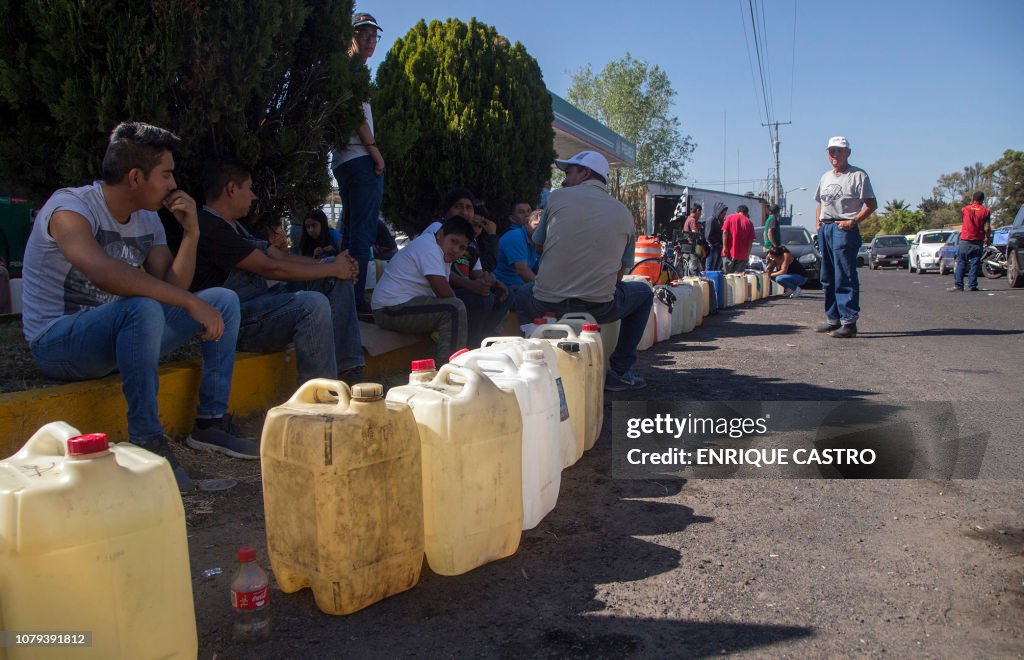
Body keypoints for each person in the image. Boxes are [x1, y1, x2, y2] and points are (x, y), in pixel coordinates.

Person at [20, 122, 253, 492]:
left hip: (124, 334)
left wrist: (192, 234)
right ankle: (147, 441)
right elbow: (104, 275)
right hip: (59, 343)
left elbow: (171, 287)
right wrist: (188, 302)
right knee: (142, 307)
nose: (173, 185)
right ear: (134, 177)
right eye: (166, 174)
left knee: (222, 301)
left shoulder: (148, 217)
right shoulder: (70, 209)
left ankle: (210, 423)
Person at [185, 158, 365, 385]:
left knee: (332, 277)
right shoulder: (209, 227)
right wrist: (334, 268)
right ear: (232, 189)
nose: (253, 196)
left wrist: (335, 265)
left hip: (263, 304)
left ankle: (349, 370)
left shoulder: (239, 225)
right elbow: (270, 268)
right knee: (312, 304)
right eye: (249, 189)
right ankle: (319, 396)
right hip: (238, 321)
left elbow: (281, 257)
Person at [513, 151, 653, 391]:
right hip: (599, 306)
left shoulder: (557, 199)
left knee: (521, 294)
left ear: (586, 173)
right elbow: (621, 271)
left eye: (569, 173)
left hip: (546, 301)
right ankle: (620, 370)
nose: (564, 180)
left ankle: (531, 361)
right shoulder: (624, 213)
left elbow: (538, 242)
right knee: (644, 293)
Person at [332, 11, 384, 316]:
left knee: (351, 233)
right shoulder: (352, 70)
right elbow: (354, 114)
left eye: (373, 35)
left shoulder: (346, 71)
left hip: (342, 161)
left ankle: (345, 297)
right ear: (351, 36)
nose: (369, 40)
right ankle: (354, 302)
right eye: (362, 34)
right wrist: (375, 153)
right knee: (361, 235)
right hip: (359, 158)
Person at [371, 216, 474, 365]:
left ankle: (455, 359)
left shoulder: (441, 251)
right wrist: (461, 311)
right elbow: (443, 291)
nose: (456, 250)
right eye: (454, 241)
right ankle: (449, 370)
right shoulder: (429, 248)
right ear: (440, 235)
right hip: (388, 310)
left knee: (456, 306)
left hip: (401, 306)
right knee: (454, 309)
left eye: (462, 248)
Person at [425, 189, 510, 346]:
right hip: (438, 289)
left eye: (468, 207)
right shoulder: (439, 227)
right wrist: (473, 286)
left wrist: (491, 282)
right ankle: (469, 345)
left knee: (503, 295)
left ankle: (484, 341)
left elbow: (477, 272)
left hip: (462, 288)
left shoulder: (470, 239)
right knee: (481, 300)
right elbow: (439, 273)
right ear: (448, 210)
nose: (464, 212)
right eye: (458, 206)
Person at [814, 136, 877, 338]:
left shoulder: (858, 175)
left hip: (844, 227)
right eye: (832, 150)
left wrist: (854, 221)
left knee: (844, 275)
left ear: (848, 153)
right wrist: (819, 223)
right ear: (827, 153)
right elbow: (820, 203)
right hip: (826, 228)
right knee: (827, 276)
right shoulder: (825, 177)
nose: (835, 154)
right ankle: (833, 319)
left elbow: (871, 204)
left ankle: (849, 321)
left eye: (840, 151)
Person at [949, 191, 990, 292]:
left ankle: (959, 285)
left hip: (965, 239)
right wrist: (987, 238)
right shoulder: (986, 211)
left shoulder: (965, 209)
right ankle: (972, 285)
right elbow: (988, 227)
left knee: (962, 262)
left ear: (973, 198)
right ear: (982, 199)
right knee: (975, 263)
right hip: (978, 240)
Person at [495, 208, 541, 292]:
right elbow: (522, 270)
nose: (540, 231)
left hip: (520, 285)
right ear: (527, 222)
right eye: (537, 225)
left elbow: (541, 268)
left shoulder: (534, 241)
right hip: (505, 286)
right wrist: (545, 288)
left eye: (544, 228)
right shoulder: (516, 236)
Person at [721, 204, 755, 273]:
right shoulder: (749, 222)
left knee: (727, 277)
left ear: (737, 211)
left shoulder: (729, 218)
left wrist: (724, 246)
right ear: (746, 213)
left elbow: (725, 232)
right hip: (742, 255)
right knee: (738, 278)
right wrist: (747, 255)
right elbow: (750, 241)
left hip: (728, 253)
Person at [680, 204, 705, 275]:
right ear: (697, 210)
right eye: (700, 213)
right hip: (692, 249)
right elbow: (696, 236)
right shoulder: (693, 220)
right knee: (694, 269)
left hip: (686, 248)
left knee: (687, 268)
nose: (700, 215)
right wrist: (702, 249)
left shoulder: (688, 219)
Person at [704, 202, 727, 271]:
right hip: (712, 248)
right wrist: (716, 244)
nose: (724, 214)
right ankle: (709, 281)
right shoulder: (711, 220)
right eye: (723, 212)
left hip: (718, 248)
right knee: (710, 267)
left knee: (716, 268)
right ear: (719, 211)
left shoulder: (720, 221)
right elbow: (708, 236)